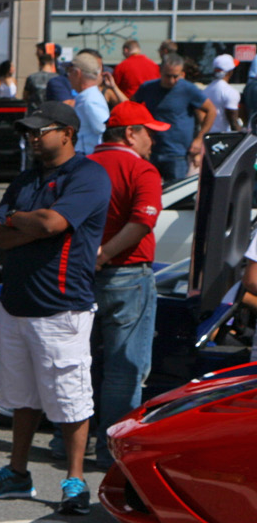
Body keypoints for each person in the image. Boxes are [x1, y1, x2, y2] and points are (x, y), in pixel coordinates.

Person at [0, 101, 111, 515]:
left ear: (67, 133)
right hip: (16, 303)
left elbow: (54, 224)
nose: (32, 137)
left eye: (40, 130)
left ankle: (75, 480)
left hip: (62, 306)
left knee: (70, 398)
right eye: (29, 132)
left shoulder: (88, 175)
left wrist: (23, 222)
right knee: (22, 397)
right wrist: (30, 223)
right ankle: (17, 473)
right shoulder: (25, 179)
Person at [87, 100, 168, 471]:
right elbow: (142, 222)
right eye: (149, 132)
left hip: (81, 277)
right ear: (131, 134)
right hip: (127, 275)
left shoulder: (85, 165)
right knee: (125, 370)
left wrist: (93, 257)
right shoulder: (142, 169)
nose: (154, 140)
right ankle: (111, 452)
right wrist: (105, 255)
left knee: (80, 364)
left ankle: (66, 440)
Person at [133, 52, 214, 182]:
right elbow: (131, 107)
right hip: (151, 152)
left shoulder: (188, 89)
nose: (171, 80)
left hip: (178, 154)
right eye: (168, 76)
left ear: (182, 74)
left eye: (175, 76)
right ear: (160, 71)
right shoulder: (147, 88)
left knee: (177, 191)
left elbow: (211, 110)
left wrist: (199, 139)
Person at [69, 52, 109, 156]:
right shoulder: (88, 98)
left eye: (70, 71)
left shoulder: (89, 100)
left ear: (77, 73)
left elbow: (103, 129)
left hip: (89, 156)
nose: (68, 76)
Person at [204, 54, 242, 133]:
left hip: (207, 135)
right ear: (230, 72)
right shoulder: (230, 92)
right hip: (223, 136)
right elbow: (233, 123)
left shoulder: (205, 90)